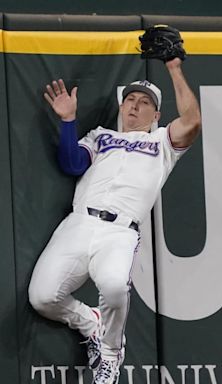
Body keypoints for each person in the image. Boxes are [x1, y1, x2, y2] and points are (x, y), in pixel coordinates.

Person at [28, 57, 201, 384]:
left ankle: (110, 354)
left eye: (145, 102)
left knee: (113, 286)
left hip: (119, 232)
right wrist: (68, 121)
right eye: (130, 100)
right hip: (79, 224)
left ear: (157, 115)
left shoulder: (162, 143)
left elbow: (192, 120)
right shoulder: (100, 135)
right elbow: (73, 164)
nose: (135, 106)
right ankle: (92, 324)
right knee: (42, 297)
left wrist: (175, 69)